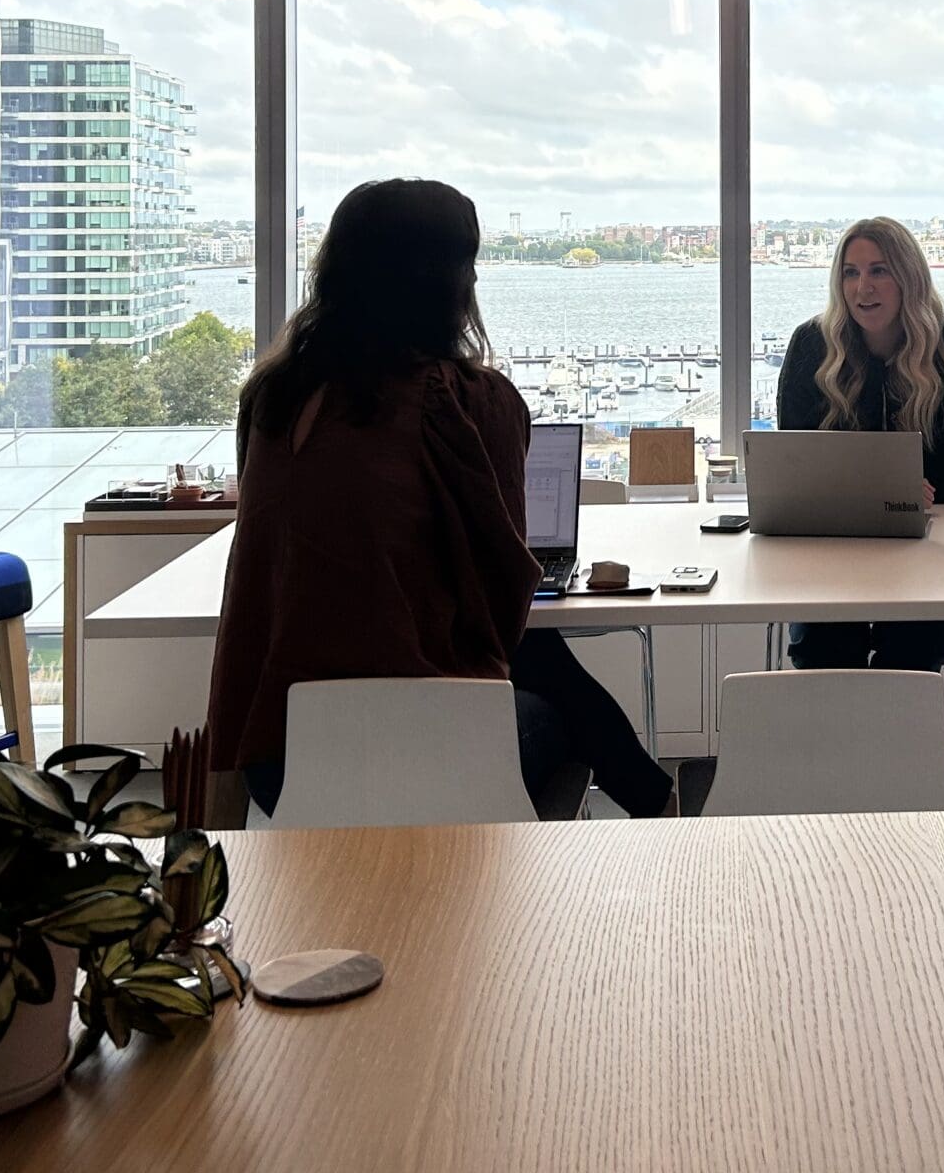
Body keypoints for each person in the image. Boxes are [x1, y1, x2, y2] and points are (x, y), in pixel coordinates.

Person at [205, 178, 673, 820]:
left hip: (284, 761)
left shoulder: (273, 397)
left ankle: (657, 804)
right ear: (451, 280)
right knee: (554, 692)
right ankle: (650, 820)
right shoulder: (467, 400)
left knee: (544, 660)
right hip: (438, 756)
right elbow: (501, 585)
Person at [774, 216, 944, 671]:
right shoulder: (811, 345)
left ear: (908, 277)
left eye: (879, 270)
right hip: (831, 544)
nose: (863, 288)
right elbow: (792, 462)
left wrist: (914, 496)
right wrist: (883, 491)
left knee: (915, 649)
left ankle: (901, 721)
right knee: (823, 648)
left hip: (928, 545)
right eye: (851, 273)